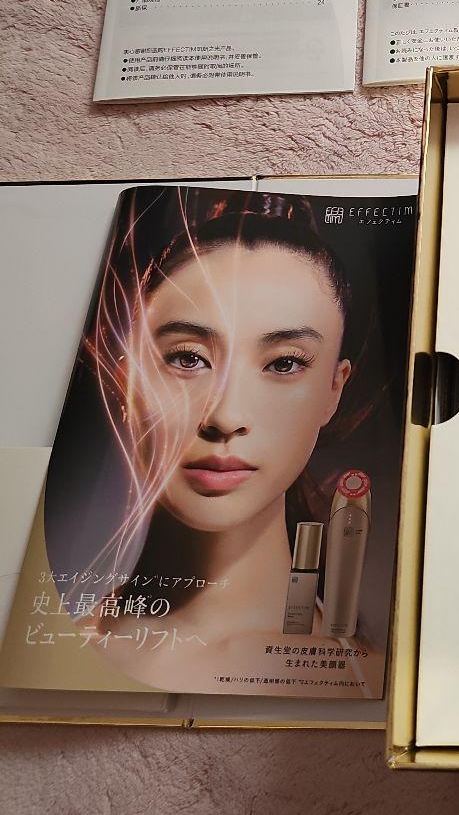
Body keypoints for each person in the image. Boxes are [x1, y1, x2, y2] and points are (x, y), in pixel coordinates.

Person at [79, 189, 381, 697]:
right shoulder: (58, 648)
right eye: (188, 358)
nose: (226, 417)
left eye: (284, 363)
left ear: (335, 389)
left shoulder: (367, 680)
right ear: (130, 377)